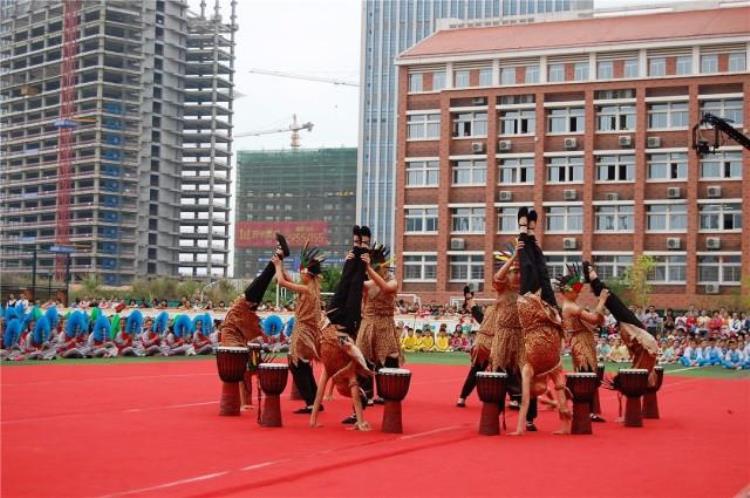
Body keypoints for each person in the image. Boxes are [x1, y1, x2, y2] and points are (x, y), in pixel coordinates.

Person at [511, 206, 570, 436]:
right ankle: (532, 234)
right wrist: (565, 419)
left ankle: (523, 230)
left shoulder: (529, 369)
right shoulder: (553, 367)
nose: (543, 387)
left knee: (528, 268)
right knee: (542, 272)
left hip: (531, 310)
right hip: (549, 312)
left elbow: (525, 402)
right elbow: (561, 397)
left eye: (540, 388)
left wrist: (519, 429)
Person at [310, 226, 373, 431]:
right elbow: (352, 352)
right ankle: (361, 246)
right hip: (343, 325)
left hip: (334, 320)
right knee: (352, 283)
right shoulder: (343, 373)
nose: (357, 392)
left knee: (347, 282)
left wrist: (314, 420)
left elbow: (321, 391)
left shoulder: (335, 372)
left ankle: (358, 245)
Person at [582, 262, 660, 386]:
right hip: (641, 336)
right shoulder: (640, 369)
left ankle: (595, 281)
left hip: (640, 335)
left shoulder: (638, 370)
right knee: (614, 304)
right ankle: (594, 281)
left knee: (613, 303)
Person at [273, 242, 326, 414]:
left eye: (301, 271)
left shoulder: (306, 288)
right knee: (302, 365)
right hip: (308, 330)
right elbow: (288, 280)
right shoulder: (313, 287)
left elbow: (281, 281)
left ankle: (311, 402)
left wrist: (278, 265)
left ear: (308, 274)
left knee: (296, 364)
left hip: (303, 330)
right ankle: (315, 401)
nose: (299, 273)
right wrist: (281, 265)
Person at [219, 234, 290, 347]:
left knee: (264, 278)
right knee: (264, 278)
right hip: (244, 307)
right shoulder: (229, 336)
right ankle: (280, 253)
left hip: (247, 307)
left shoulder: (229, 334)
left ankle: (280, 253)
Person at [558, 266, 609, 422]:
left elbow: (598, 321)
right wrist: (601, 300)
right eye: (576, 289)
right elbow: (594, 319)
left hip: (583, 340)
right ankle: (584, 409)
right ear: (566, 291)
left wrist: (598, 312)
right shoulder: (571, 307)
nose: (578, 292)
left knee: (588, 374)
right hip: (580, 342)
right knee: (585, 374)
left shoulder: (571, 306)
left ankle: (589, 410)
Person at [356, 244, 402, 403]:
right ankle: (366, 394)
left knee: (388, 360)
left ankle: (387, 393)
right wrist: (354, 266)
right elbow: (362, 285)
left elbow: (386, 288)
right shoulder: (369, 282)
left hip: (385, 325)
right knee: (364, 360)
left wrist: (369, 269)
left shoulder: (392, 281)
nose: (385, 270)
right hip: (369, 324)